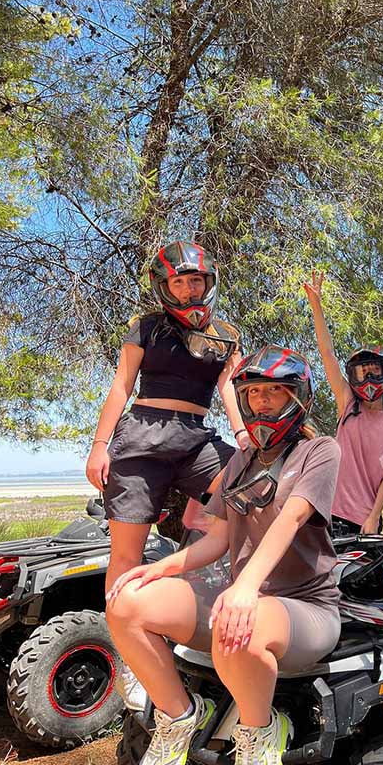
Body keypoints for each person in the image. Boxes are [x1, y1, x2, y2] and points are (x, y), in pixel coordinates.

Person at [105, 345, 342, 765]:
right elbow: (217, 537)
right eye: (253, 392)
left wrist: (246, 586)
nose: (262, 401)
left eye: (274, 390)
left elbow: (291, 518)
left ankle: (261, 733)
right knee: (126, 603)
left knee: (241, 625)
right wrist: (160, 568)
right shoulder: (241, 461)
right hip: (243, 600)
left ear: (299, 395)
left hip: (306, 607)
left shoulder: (320, 450)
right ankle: (179, 717)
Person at [85, 240, 247, 708]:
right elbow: (121, 386)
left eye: (196, 280)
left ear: (209, 282)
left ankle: (235, 603)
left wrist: (243, 434)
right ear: (164, 286)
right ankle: (131, 658)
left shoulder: (226, 334)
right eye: (179, 281)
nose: (189, 288)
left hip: (196, 438)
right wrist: (99, 446)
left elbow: (231, 388)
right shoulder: (145, 327)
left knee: (247, 487)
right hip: (140, 436)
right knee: (125, 556)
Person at [304, 271, 383, 534]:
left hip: (366, 520)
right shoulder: (347, 402)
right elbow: (327, 354)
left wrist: (374, 517)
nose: (368, 378)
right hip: (330, 512)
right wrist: (316, 305)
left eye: (374, 371)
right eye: (362, 372)